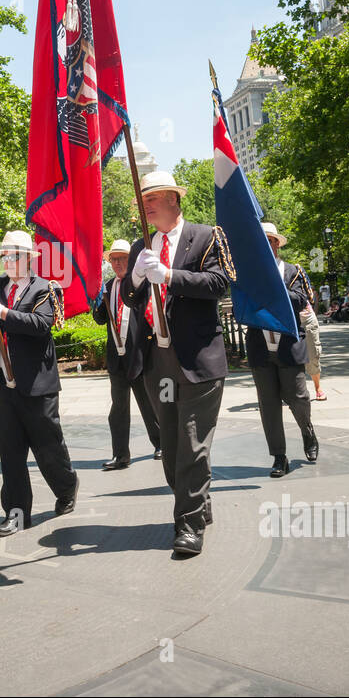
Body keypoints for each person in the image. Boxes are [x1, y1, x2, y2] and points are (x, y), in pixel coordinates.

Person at [122, 170, 232, 556]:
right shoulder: (142, 245)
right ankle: (199, 504)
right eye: (144, 198)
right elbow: (130, 298)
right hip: (158, 360)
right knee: (170, 446)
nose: (146, 204)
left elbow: (220, 283)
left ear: (173, 198)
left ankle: (188, 525)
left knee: (191, 443)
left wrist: (170, 275)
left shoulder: (205, 236)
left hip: (197, 359)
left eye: (153, 197)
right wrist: (135, 279)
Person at [0, 229, 79, 535]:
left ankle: (66, 486)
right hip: (2, 382)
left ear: (28, 259)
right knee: (11, 451)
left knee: (48, 447)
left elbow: (42, 325)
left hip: (36, 383)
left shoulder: (45, 288)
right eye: (3, 256)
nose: (7, 261)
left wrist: (4, 313)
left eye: (12, 255)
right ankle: (17, 513)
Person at [245, 224, 319, 478]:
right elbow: (241, 307)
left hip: (289, 347)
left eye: (270, 241)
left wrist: (273, 286)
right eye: (261, 241)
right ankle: (279, 457)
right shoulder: (248, 274)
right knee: (268, 406)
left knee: (298, 398)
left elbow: (302, 300)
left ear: (277, 244)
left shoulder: (292, 271)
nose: (266, 245)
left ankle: (308, 432)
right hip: (260, 349)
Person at [92, 238, 162, 469]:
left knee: (148, 405)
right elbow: (100, 318)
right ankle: (120, 455)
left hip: (138, 356)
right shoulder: (109, 286)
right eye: (114, 259)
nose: (118, 263)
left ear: (131, 260)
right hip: (117, 358)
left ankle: (161, 444)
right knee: (118, 409)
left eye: (122, 258)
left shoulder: (138, 285)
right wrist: (96, 297)